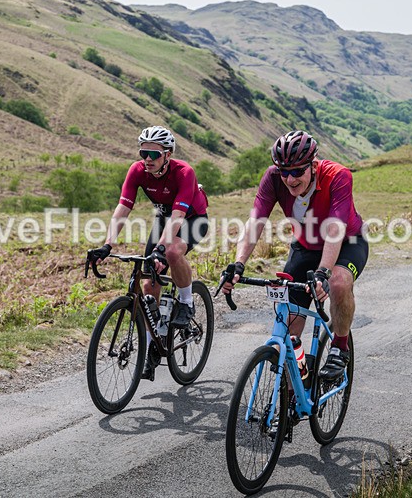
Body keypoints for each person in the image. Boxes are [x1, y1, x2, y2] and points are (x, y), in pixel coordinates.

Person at [221, 130, 368, 381]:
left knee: (338, 283)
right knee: (289, 330)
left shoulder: (337, 176)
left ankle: (339, 347)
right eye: (284, 172)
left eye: (297, 171)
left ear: (313, 165)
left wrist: (323, 272)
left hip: (346, 243)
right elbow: (256, 221)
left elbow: (335, 228)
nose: (289, 179)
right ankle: (293, 390)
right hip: (305, 247)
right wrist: (238, 264)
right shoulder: (273, 178)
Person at [90, 126, 209, 380]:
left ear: (167, 154)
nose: (147, 159)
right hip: (165, 219)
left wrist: (160, 251)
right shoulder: (137, 171)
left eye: (153, 155)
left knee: (173, 252)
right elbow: (122, 210)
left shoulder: (184, 173)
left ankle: (187, 303)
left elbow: (178, 218)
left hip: (192, 218)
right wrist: (107, 245)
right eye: (143, 152)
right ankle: (153, 341)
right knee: (147, 282)